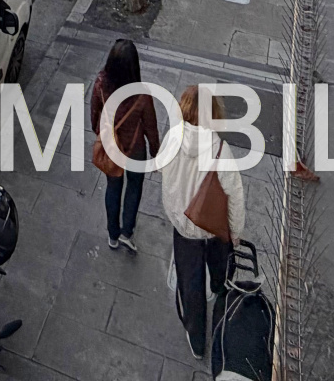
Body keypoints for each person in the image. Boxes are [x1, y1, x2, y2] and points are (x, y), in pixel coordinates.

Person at [160, 84, 246, 362]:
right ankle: (219, 291)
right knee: (219, 267)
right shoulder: (221, 150)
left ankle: (197, 341)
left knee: (190, 283)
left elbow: (162, 168)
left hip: (183, 226)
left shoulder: (172, 138)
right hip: (213, 227)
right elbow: (235, 197)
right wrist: (236, 234)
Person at [89, 39, 161, 252]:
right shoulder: (142, 94)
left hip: (112, 148)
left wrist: (99, 132)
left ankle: (112, 234)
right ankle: (127, 232)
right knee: (134, 187)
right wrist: (155, 151)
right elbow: (151, 127)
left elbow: (94, 113)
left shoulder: (101, 84)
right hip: (135, 149)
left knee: (113, 187)